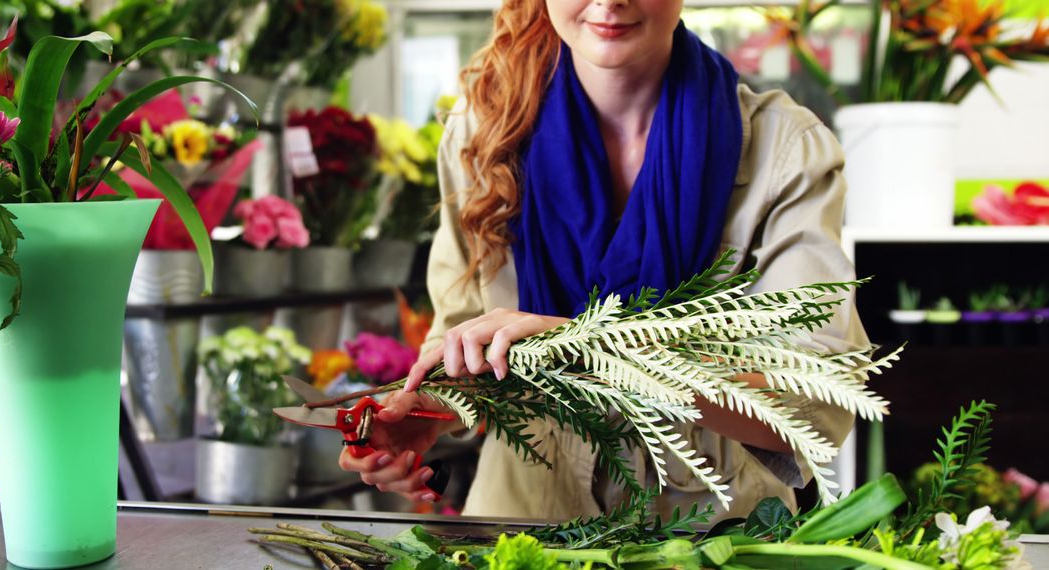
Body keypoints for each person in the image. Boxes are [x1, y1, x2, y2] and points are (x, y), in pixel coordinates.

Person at [339, 0, 869, 522]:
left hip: (707, 533)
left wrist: (591, 351)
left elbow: (817, 405)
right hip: (522, 521)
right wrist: (424, 410)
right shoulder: (483, 130)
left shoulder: (784, 149)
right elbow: (461, 337)